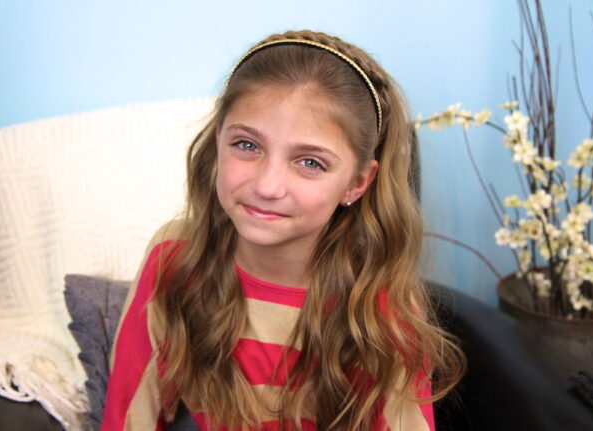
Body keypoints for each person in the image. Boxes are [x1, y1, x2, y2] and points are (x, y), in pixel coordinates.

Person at [101, 30, 465, 431]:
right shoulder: (174, 255)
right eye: (247, 145)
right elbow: (128, 414)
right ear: (217, 139)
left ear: (357, 183)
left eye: (310, 163)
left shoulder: (377, 305)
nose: (267, 186)